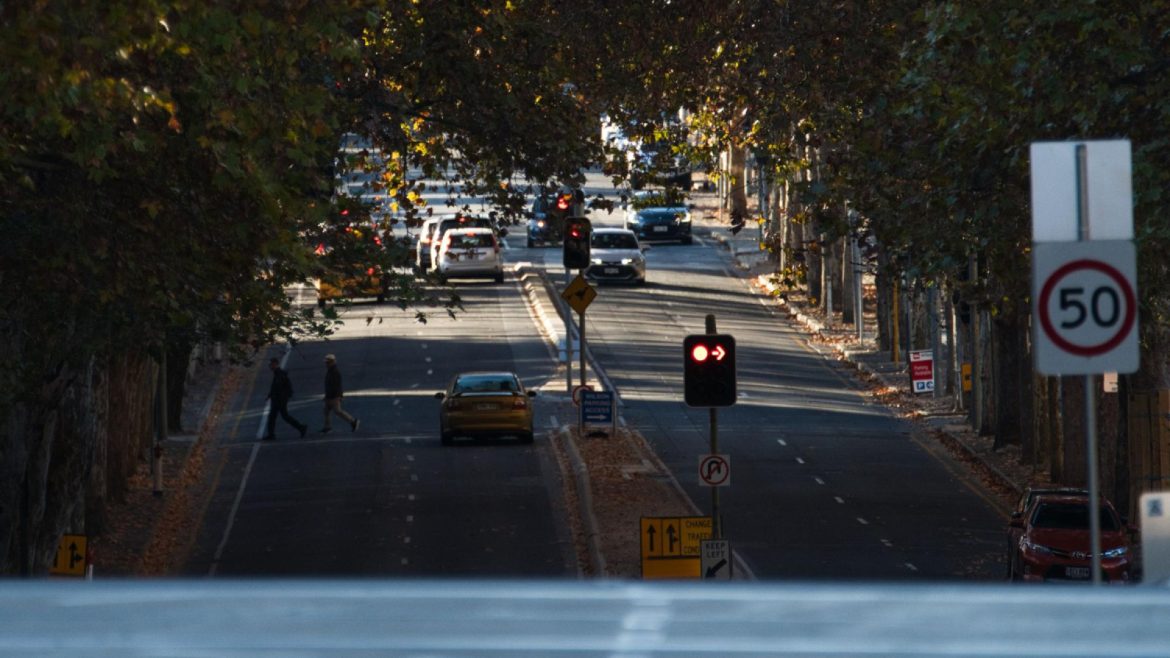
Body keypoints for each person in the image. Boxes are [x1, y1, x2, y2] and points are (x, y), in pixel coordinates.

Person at [265, 357, 307, 440]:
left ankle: (301, 427)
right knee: (275, 416)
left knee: (283, 416)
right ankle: (271, 434)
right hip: (278, 399)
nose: (270, 367)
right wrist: (270, 395)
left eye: (271, 365)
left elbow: (279, 387)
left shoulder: (279, 374)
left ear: (275, 364)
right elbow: (274, 387)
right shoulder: (278, 373)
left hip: (280, 399)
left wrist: (278, 397)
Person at [321, 354, 359, 433]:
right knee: (326, 411)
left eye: (328, 363)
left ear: (332, 362)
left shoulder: (334, 372)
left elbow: (336, 386)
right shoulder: (331, 371)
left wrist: (336, 396)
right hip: (330, 395)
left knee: (338, 411)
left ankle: (353, 421)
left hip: (333, 396)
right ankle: (327, 426)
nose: (326, 364)